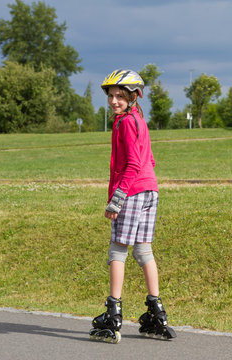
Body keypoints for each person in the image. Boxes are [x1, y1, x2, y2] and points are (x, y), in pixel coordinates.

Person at [89, 69, 176, 343]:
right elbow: (149, 160)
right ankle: (156, 311)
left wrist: (118, 197)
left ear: (133, 97)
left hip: (133, 190)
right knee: (143, 250)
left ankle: (113, 313)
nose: (114, 101)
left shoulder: (126, 123)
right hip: (150, 189)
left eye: (120, 96)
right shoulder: (139, 119)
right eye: (111, 96)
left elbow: (133, 164)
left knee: (117, 249)